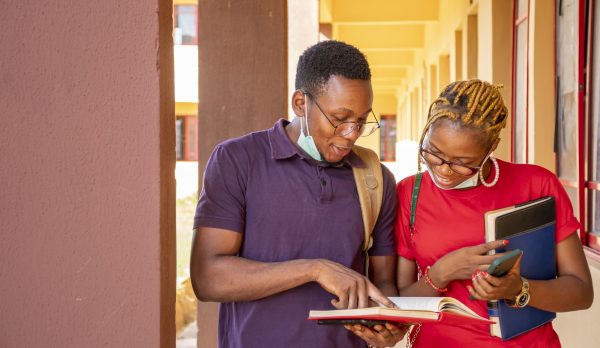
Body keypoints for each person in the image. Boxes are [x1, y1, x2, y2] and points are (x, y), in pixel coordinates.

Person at [190, 40, 406, 348]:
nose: (351, 134)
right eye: (339, 118)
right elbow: (207, 278)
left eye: (361, 120)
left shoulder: (375, 179)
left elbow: (384, 281)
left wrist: (390, 324)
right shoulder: (238, 160)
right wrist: (314, 269)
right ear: (300, 103)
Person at [395, 79, 594, 347]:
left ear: (492, 147)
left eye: (462, 163)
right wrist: (442, 273)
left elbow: (581, 292)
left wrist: (520, 288)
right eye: (433, 153)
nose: (443, 171)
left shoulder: (536, 185)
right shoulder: (410, 193)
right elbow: (399, 304)